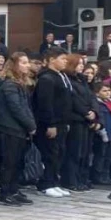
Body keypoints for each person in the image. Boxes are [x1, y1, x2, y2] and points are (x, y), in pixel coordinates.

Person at [0, 53, 36, 206]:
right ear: (15, 65)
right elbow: (16, 108)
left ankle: (14, 189)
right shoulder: (9, 85)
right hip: (9, 129)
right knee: (9, 162)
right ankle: (5, 193)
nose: (28, 65)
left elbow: (26, 107)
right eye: (24, 63)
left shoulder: (21, 84)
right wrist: (30, 125)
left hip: (20, 130)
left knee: (18, 162)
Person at [33, 47, 72, 198]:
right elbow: (45, 103)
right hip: (50, 123)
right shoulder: (46, 78)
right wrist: (51, 124)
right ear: (51, 60)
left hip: (62, 122)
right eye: (62, 59)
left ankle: (54, 182)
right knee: (49, 153)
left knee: (59, 153)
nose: (65, 62)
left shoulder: (61, 76)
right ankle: (45, 183)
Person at [63, 53, 97, 193]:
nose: (82, 66)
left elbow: (91, 97)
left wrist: (94, 112)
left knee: (84, 152)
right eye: (79, 63)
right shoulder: (69, 81)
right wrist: (86, 112)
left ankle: (81, 179)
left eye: (83, 63)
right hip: (76, 119)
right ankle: (70, 180)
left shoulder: (83, 81)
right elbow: (74, 100)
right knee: (74, 152)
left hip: (86, 121)